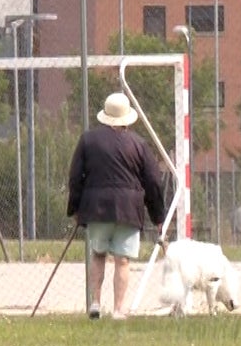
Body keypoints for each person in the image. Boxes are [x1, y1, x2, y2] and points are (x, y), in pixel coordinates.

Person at [67, 91, 167, 320]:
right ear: (127, 119)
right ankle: (119, 310)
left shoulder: (88, 140)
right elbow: (153, 181)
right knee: (122, 261)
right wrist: (157, 215)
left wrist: (75, 208)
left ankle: (95, 302)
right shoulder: (139, 144)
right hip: (128, 211)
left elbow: (75, 177)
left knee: (98, 254)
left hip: (96, 209)